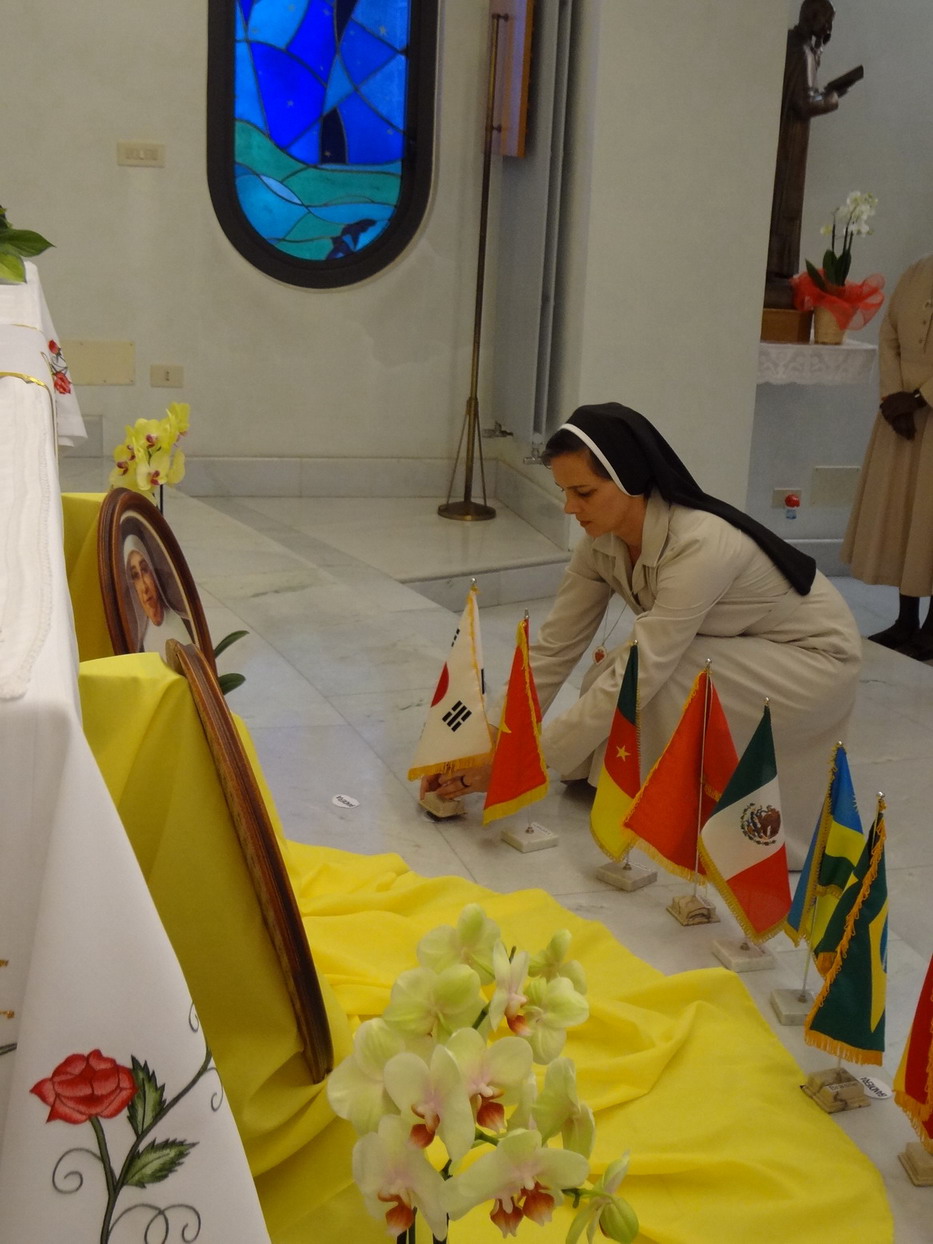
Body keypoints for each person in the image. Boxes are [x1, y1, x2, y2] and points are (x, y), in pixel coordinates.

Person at [424, 403, 862, 868]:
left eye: (583, 492)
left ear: (631, 480)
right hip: (740, 649)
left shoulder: (701, 543)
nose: (570, 508)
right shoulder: (600, 542)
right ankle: (631, 787)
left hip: (812, 663)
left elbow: (645, 669)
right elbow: (553, 649)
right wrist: (489, 739)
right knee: (624, 669)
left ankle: (690, 814)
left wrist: (525, 761)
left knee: (658, 670)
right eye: (564, 492)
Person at [842, 254, 933, 658]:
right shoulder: (918, 270)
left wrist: (920, 398)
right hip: (901, 418)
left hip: (923, 408)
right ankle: (905, 620)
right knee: (904, 517)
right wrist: (893, 396)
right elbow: (889, 333)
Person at [766, 0, 858, 305]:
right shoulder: (801, 51)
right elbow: (804, 103)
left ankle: (775, 271)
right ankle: (775, 272)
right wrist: (832, 97)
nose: (829, 28)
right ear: (812, 17)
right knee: (783, 208)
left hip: (788, 140)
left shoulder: (795, 46)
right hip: (790, 145)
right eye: (826, 20)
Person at [123, 534, 193, 655]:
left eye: (145, 570)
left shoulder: (186, 623)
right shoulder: (139, 647)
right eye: (135, 576)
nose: (144, 587)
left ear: (153, 572)